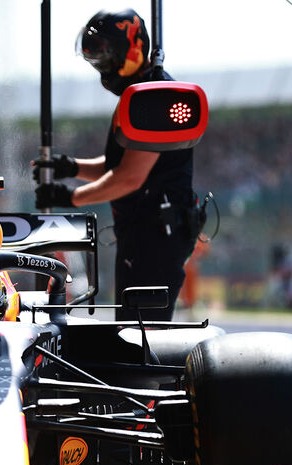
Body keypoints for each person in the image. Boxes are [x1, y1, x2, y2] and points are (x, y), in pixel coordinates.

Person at [33, 9, 200, 321]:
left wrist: (70, 198)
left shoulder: (157, 100)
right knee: (131, 322)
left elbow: (128, 179)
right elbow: (118, 165)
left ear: (133, 50)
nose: (102, 69)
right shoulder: (137, 97)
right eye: (97, 62)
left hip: (156, 236)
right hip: (142, 233)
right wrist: (72, 168)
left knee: (143, 330)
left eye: (107, 59)